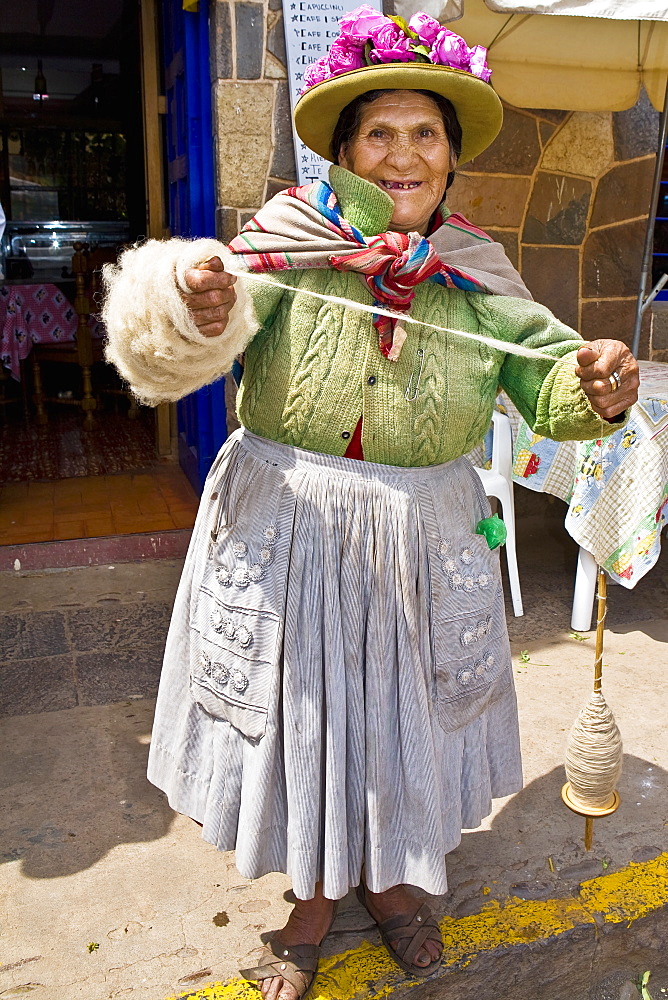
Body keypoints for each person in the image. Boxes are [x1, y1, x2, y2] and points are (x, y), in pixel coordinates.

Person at [102, 9, 639, 999]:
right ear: (343, 153)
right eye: (378, 134)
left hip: (423, 538)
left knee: (403, 718)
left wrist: (595, 385)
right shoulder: (279, 247)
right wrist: (191, 304)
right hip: (286, 531)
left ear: (447, 156)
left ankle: (392, 885)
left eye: (422, 134)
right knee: (306, 715)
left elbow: (546, 381)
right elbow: (186, 340)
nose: (402, 156)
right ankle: (310, 900)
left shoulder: (477, 273)